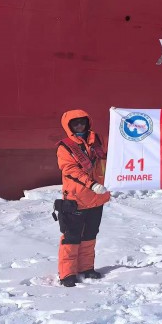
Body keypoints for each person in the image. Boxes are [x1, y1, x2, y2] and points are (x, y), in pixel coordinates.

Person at [56, 109, 110, 287]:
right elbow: (70, 170)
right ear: (69, 126)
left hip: (96, 199)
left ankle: (86, 268)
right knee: (71, 238)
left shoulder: (98, 141)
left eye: (82, 122)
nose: (80, 125)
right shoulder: (65, 147)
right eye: (75, 123)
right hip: (75, 200)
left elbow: (111, 159)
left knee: (89, 236)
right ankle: (67, 274)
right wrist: (92, 184)